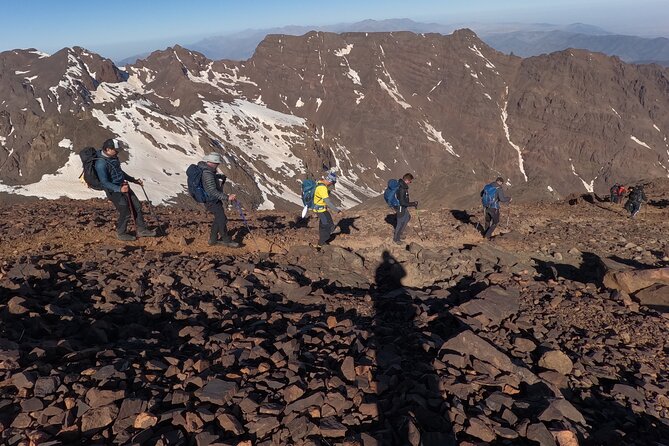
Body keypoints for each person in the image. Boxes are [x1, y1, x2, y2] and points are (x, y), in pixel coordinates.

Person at [95, 138, 156, 241]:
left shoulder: (113, 158)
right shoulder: (101, 164)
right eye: (115, 150)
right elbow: (104, 182)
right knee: (125, 211)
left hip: (123, 186)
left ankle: (142, 229)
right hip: (114, 191)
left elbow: (119, 173)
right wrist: (119, 189)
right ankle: (121, 233)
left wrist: (133, 180)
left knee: (136, 206)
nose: (117, 152)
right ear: (108, 149)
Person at [197, 153, 240, 247]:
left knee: (219, 218)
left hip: (212, 200)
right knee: (222, 219)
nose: (218, 165)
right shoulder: (207, 173)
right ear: (213, 163)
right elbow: (212, 191)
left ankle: (213, 240)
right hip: (211, 201)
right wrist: (227, 197)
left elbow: (210, 180)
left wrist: (219, 176)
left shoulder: (207, 171)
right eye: (217, 164)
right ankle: (226, 240)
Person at [312, 171, 341, 248]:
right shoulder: (323, 188)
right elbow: (327, 201)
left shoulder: (319, 183)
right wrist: (337, 210)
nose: (332, 185)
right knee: (329, 225)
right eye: (332, 183)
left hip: (320, 209)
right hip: (320, 210)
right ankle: (321, 243)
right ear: (330, 181)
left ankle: (322, 241)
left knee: (324, 224)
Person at [393, 173, 418, 245]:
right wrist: (412, 204)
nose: (410, 182)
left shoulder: (403, 186)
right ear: (406, 180)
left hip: (403, 207)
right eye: (410, 181)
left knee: (407, 217)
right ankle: (396, 239)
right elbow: (402, 202)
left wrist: (411, 203)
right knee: (400, 222)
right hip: (400, 207)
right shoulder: (402, 188)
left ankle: (400, 233)